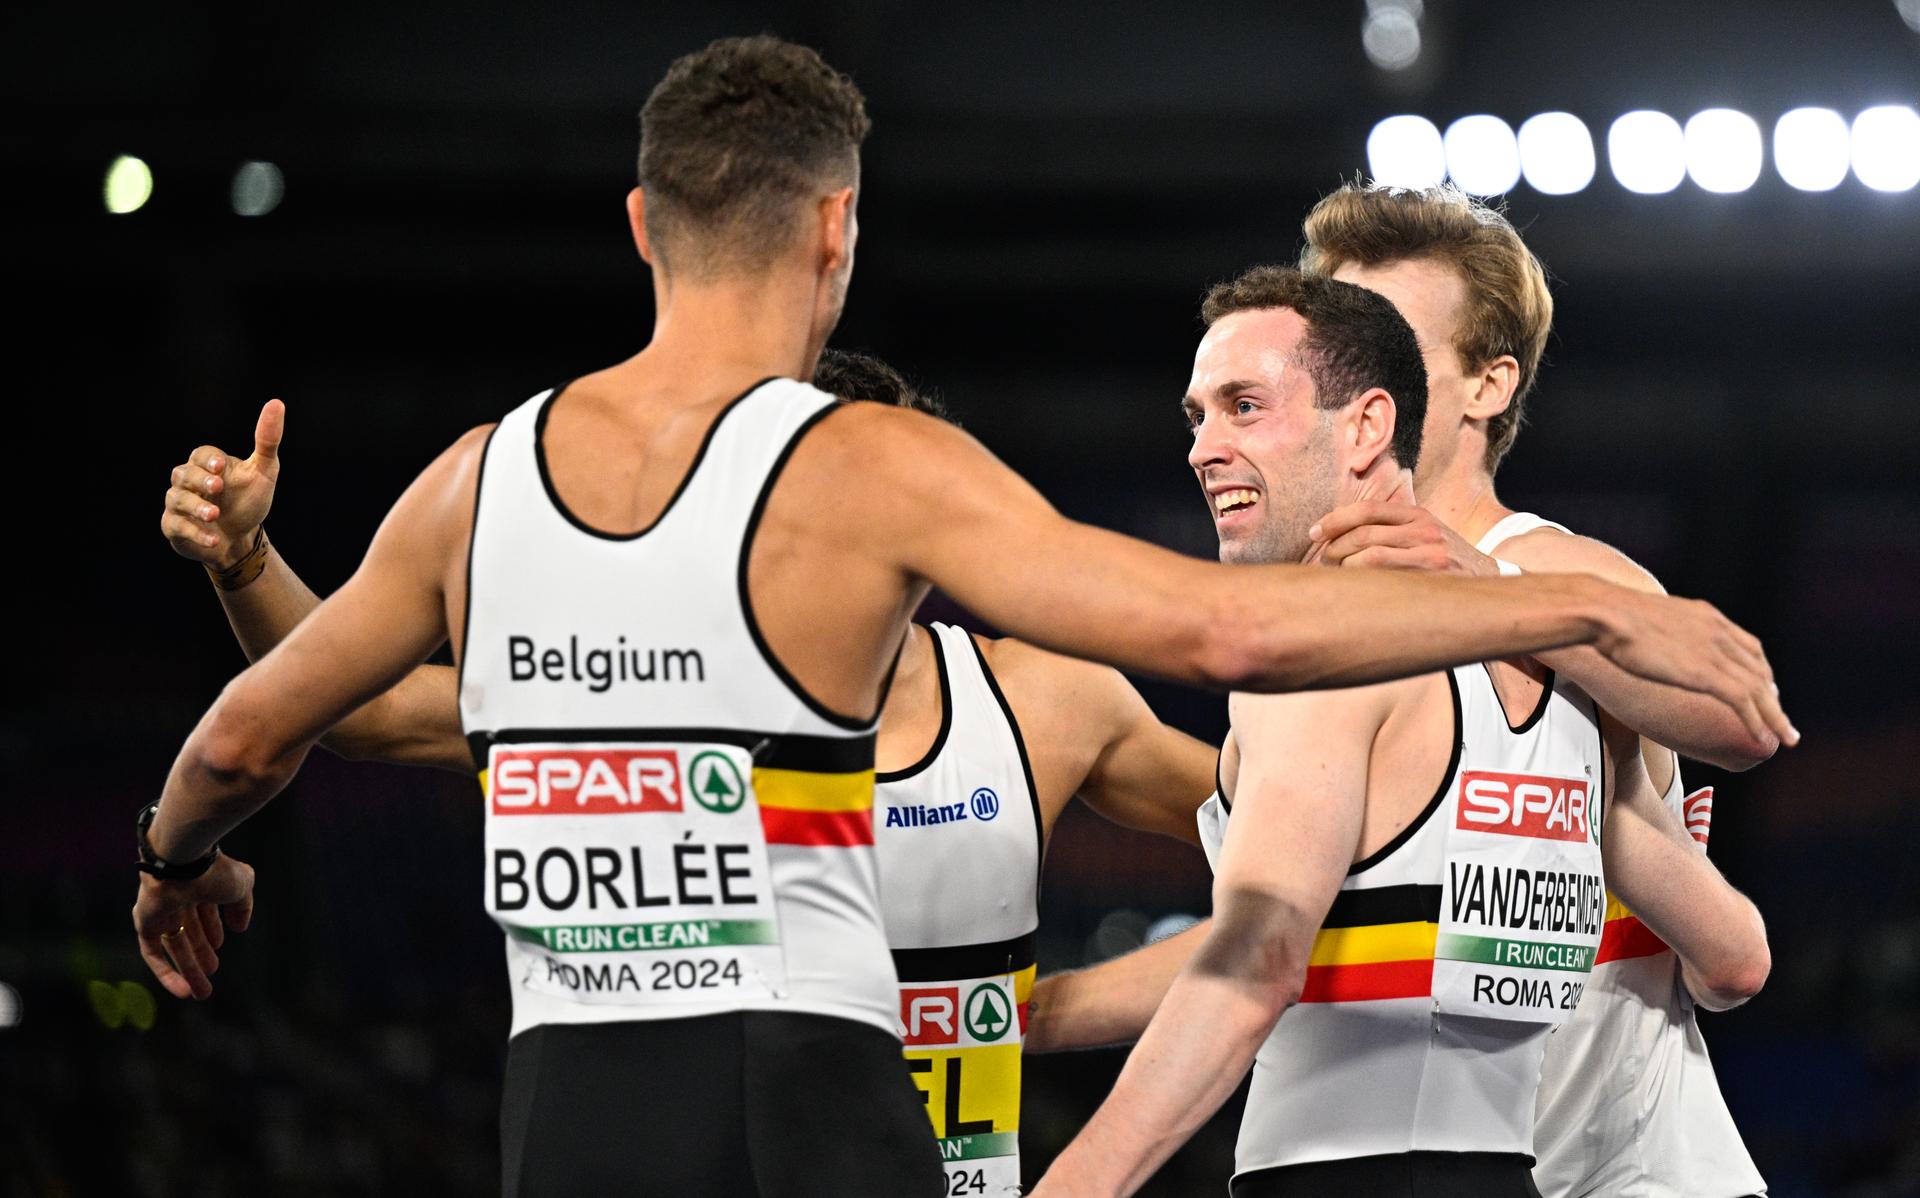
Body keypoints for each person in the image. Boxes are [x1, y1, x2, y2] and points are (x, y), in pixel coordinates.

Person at [131, 34, 1786, 1195]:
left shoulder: (479, 483)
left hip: (571, 1104)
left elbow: (258, 725)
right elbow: (1225, 641)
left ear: (641, 224)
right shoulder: (881, 475)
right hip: (815, 1088)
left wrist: (176, 858)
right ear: (838, 230)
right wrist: (1564, 606)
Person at [156, 350, 1220, 1197]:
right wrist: (245, 563)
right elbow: (363, 711)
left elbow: (1316, 860)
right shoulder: (658, 694)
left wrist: (1068, 1007)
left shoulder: (1048, 701)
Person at [1028, 267, 1769, 1198]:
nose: (1203, 450)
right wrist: (1016, 1012)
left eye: (1243, 407)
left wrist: (1077, 1183)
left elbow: (1257, 962)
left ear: (1373, 424)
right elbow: (1736, 952)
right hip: (1512, 1170)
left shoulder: (1327, 648)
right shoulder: (1569, 677)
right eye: (1196, 418)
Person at [1298, 182, 1772, 1196]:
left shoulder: (1562, 574)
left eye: (1388, 350)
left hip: (1632, 1173)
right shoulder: (1310, 615)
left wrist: (1498, 599)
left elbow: (1739, 723)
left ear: (1488, 385)